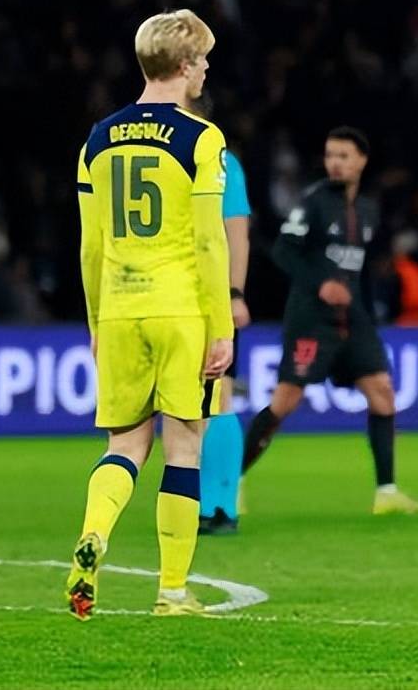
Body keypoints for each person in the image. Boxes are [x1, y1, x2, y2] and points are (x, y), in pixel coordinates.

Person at [65, 9, 233, 620]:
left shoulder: (97, 139)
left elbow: (90, 247)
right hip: (180, 309)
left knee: (125, 444)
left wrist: (95, 323)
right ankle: (173, 592)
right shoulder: (201, 139)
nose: (207, 69)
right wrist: (222, 327)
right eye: (204, 59)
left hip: (118, 309)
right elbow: (208, 241)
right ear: (185, 66)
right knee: (183, 447)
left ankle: (94, 533)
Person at [241, 127, 418, 515]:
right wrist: (321, 283)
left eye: (343, 156)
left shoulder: (367, 209)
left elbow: (361, 271)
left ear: (362, 160)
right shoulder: (312, 202)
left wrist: (369, 314)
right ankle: (232, 482)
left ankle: (386, 493)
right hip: (311, 320)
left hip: (354, 320)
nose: (335, 163)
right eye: (330, 155)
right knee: (285, 401)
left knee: (382, 392)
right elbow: (283, 251)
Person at [197, 94, 252, 535]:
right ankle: (206, 500)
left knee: (219, 396)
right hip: (172, 295)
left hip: (209, 297)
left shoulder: (222, 164)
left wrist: (234, 293)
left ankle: (220, 505)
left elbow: (237, 234)